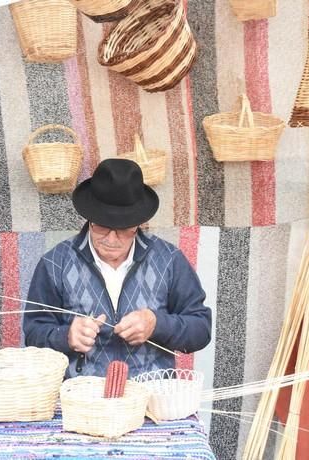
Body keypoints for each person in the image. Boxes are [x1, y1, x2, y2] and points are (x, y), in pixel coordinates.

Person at [24, 158, 212, 378]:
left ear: (137, 224)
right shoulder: (56, 263)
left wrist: (157, 324)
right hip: (82, 398)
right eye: (102, 227)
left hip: (151, 398)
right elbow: (33, 333)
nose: (112, 239)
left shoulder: (168, 260)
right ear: (90, 219)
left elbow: (201, 328)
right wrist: (64, 336)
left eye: (123, 229)